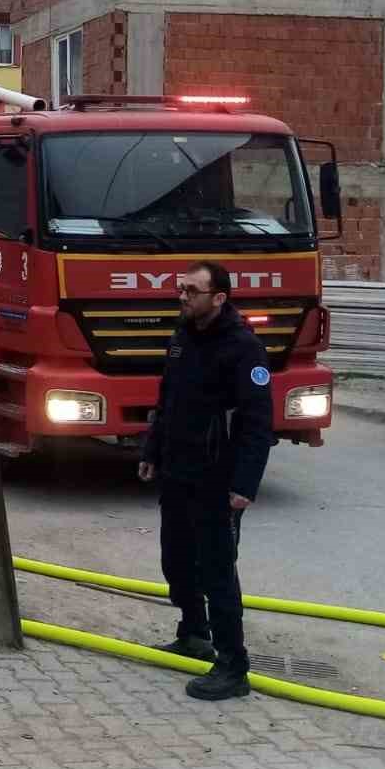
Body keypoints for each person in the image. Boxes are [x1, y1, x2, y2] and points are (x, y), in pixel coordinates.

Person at [139, 260, 274, 702]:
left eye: (192, 291)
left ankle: (234, 666)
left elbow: (258, 421)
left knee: (217, 571)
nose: (182, 297)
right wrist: (151, 452)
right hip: (178, 472)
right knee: (176, 561)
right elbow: (167, 398)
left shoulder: (243, 348)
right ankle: (194, 632)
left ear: (219, 297)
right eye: (181, 289)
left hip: (217, 479)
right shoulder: (182, 339)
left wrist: (244, 485)